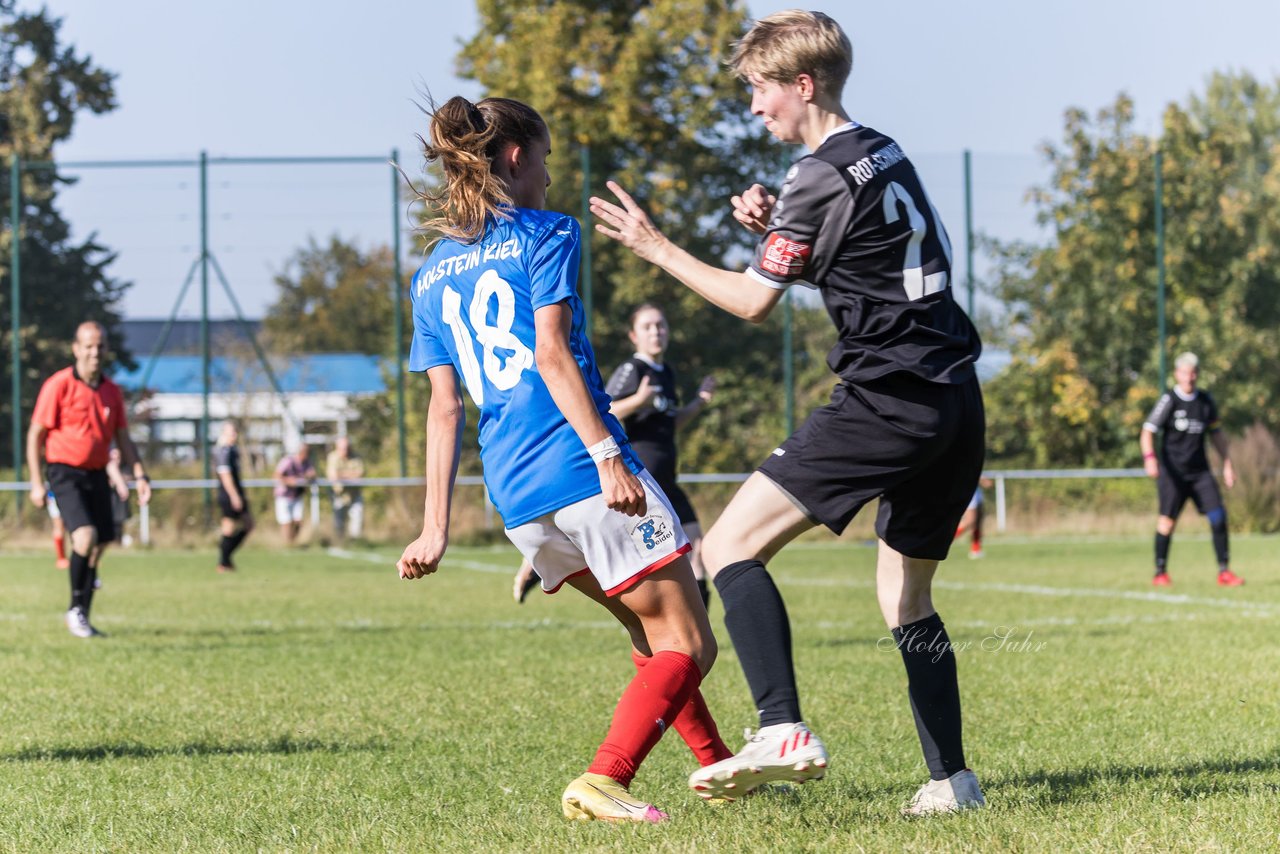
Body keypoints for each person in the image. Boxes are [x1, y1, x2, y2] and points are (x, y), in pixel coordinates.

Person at [590, 10, 986, 815]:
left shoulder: (815, 177)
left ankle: (781, 728)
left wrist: (655, 246)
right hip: (953, 399)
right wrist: (780, 232)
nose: (754, 108)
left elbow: (748, 304)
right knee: (905, 600)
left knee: (730, 544)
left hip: (886, 401)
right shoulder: (882, 149)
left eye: (760, 92)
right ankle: (953, 780)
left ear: (803, 87)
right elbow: (876, 269)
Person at [396, 94, 731, 823]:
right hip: (580, 469)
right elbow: (551, 354)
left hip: (516, 497)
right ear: (516, 159)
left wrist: (435, 529)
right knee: (691, 640)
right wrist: (608, 453)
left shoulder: (430, 275)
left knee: (652, 637)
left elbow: (444, 407)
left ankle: (722, 767)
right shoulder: (548, 232)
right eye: (543, 160)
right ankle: (604, 778)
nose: (548, 177)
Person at [27, 321, 152, 638]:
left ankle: (82, 612)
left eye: (100, 346)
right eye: (88, 345)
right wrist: (36, 482)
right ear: (76, 348)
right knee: (84, 536)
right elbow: (35, 435)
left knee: (101, 541)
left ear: (106, 350)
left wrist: (139, 473)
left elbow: (123, 439)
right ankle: (76, 610)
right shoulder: (59, 385)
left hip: (98, 472)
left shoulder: (111, 391)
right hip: (64, 470)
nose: (94, 352)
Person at [606, 304, 717, 605]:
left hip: (668, 477)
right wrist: (639, 400)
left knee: (697, 547)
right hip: (644, 478)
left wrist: (699, 403)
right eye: (648, 327)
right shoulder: (634, 369)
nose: (656, 332)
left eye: (661, 325)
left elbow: (670, 421)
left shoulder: (665, 372)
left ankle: (698, 633)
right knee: (653, 558)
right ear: (633, 336)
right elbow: (605, 412)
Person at [1140, 352, 1241, 587]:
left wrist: (1227, 463)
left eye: (1193, 372)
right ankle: (1160, 573)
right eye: (1185, 372)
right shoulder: (1169, 400)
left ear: (1197, 373)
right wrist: (1149, 458)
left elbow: (1216, 435)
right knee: (1167, 522)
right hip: (1173, 473)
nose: (1190, 377)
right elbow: (1147, 431)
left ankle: (1224, 571)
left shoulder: (1205, 401)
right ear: (1177, 374)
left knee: (1218, 516)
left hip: (1200, 473)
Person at [215, 420, 254, 573]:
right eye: (232, 432)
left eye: (236, 432)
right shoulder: (223, 451)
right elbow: (225, 476)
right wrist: (234, 495)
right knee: (228, 529)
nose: (235, 435)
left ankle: (226, 559)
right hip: (229, 495)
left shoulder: (232, 450)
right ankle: (223, 562)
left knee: (249, 525)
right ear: (224, 433)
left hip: (237, 493)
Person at [273, 444, 315, 545]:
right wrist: (289, 481)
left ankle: (293, 541)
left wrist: (309, 476)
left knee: (298, 521)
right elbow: (276, 475)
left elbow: (312, 473)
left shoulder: (307, 462)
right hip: (284, 495)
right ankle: (286, 544)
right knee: (286, 522)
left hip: (297, 496)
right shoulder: (288, 461)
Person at [326, 436, 365, 542]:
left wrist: (342, 475)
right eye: (343, 448)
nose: (345, 450)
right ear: (337, 447)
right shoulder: (332, 457)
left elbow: (360, 474)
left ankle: (355, 542)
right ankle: (340, 541)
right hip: (339, 494)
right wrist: (350, 475)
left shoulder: (356, 457)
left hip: (354, 494)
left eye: (347, 447)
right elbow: (333, 476)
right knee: (339, 521)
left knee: (357, 518)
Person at [954, 477, 994, 559]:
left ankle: (976, 550)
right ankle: (944, 540)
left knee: (978, 521)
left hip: (976, 490)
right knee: (970, 520)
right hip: (968, 489)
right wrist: (981, 480)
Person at [46, 488, 70, 570]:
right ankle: (61, 558)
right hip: (55, 494)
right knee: (59, 525)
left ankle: (84, 556)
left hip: (73, 493)